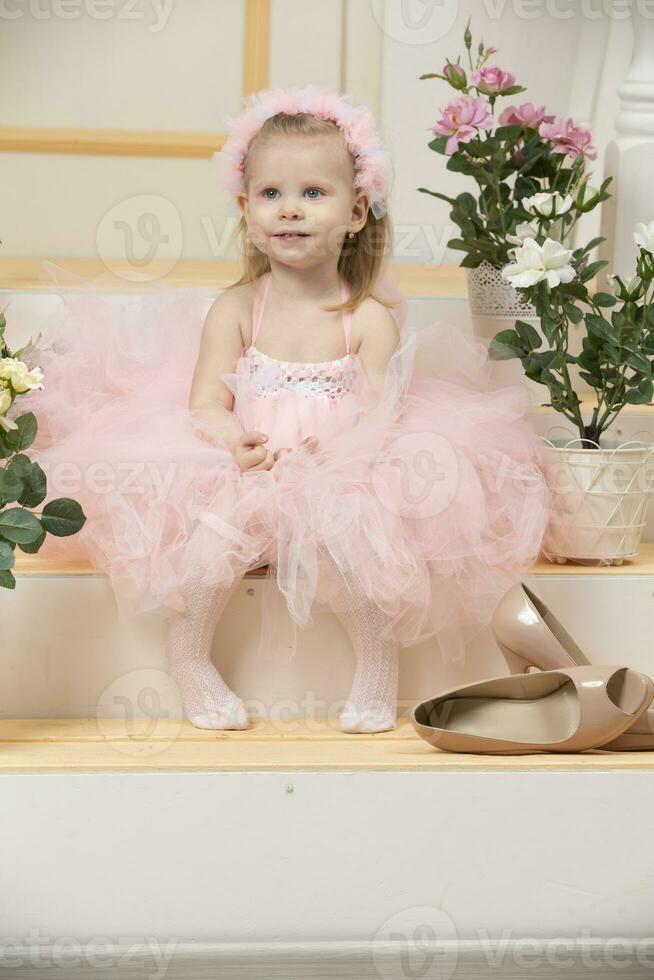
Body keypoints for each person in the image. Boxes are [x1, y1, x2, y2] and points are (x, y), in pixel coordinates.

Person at [22, 84, 551, 734]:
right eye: (270, 194)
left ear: (356, 211)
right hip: (251, 469)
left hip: (339, 472)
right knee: (205, 561)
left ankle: (376, 663)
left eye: (313, 193)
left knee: (363, 560)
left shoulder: (366, 319)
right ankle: (189, 659)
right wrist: (232, 439)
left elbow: (382, 410)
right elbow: (206, 403)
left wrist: (343, 453)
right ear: (246, 209)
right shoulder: (239, 309)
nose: (289, 210)